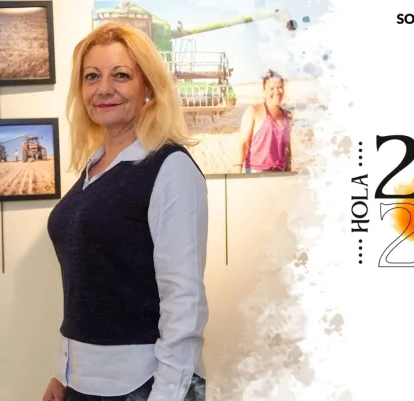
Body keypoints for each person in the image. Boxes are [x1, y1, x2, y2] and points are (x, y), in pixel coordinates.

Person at [42, 22, 209, 401]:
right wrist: (62, 372)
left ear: (148, 86)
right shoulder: (95, 167)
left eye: (120, 75)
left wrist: (168, 395)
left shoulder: (170, 167)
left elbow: (184, 300)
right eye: (91, 76)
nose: (104, 88)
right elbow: (86, 284)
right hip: (82, 382)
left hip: (143, 385)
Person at [236, 69, 293, 173]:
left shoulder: (287, 116)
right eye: (272, 88)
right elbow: (243, 143)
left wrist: (289, 171)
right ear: (264, 90)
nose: (277, 92)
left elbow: (287, 148)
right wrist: (237, 171)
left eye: (280, 87)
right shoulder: (254, 111)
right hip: (256, 172)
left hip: (280, 173)